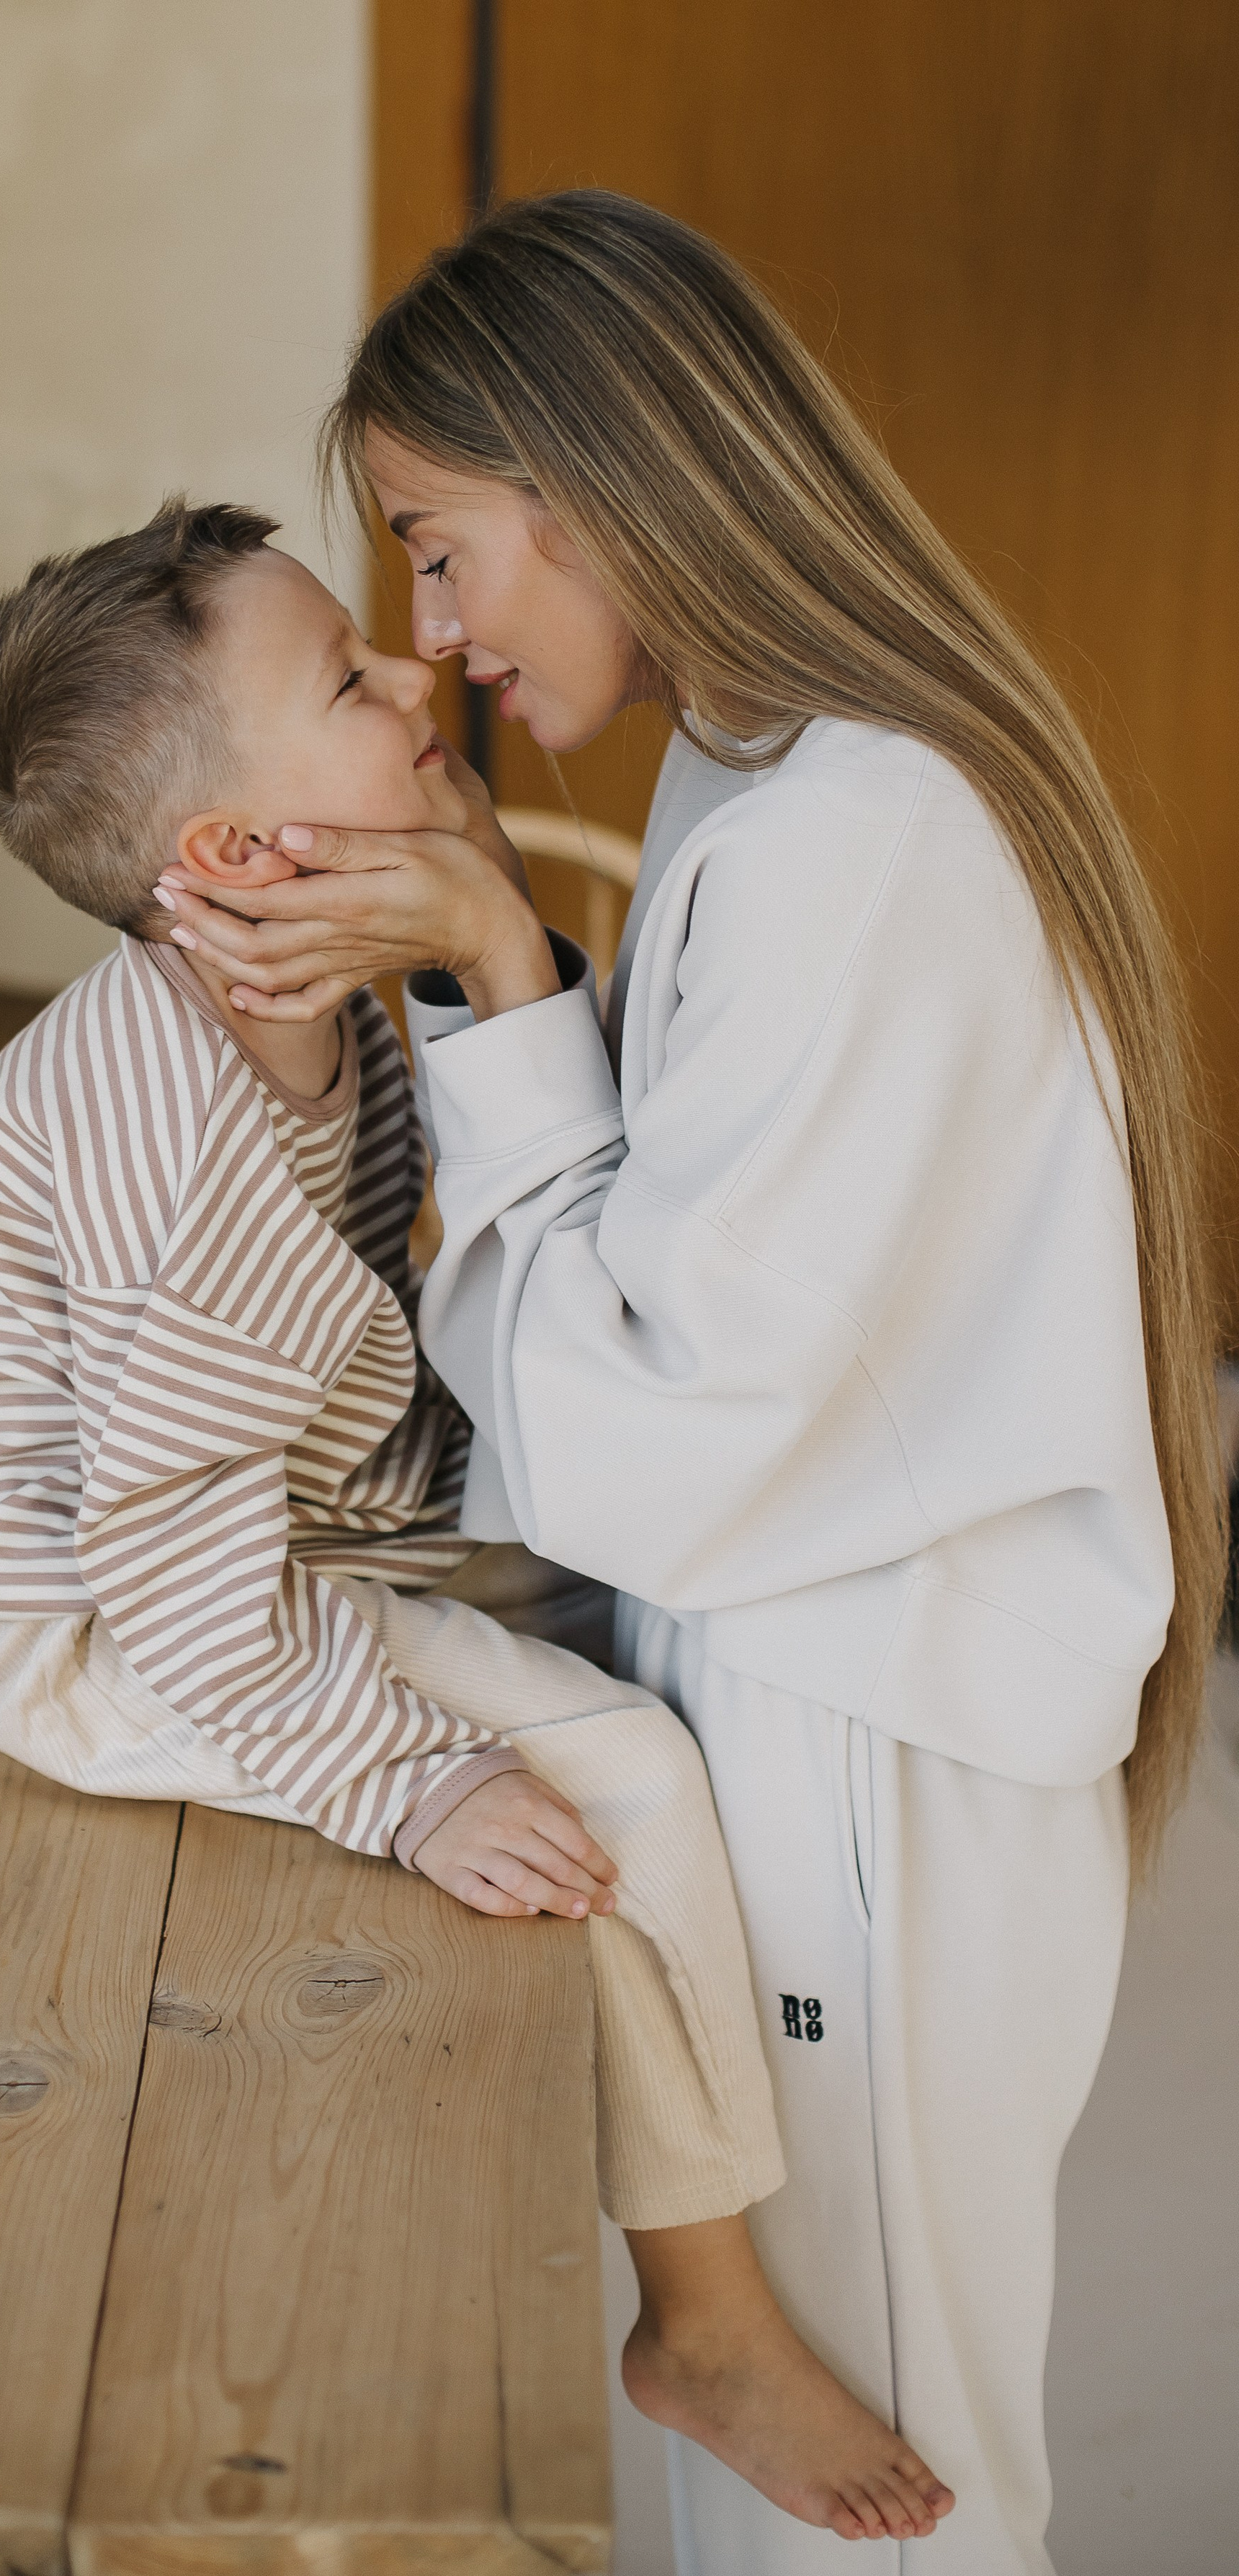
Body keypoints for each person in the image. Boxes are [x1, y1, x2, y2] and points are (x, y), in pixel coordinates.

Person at [146, 192, 1227, 2576]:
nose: (439, 639)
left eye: (440, 551)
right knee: (784, 2459)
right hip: (833, 1682)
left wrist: (496, 970)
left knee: (884, 2494)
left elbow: (666, 1436)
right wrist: (496, 956)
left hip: (868, 1731)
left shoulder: (858, 840)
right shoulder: (771, 769)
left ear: (598, 479)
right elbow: (686, 1251)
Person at [0, 496, 956, 2544]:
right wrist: (408, 1785)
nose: (416, 664)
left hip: (271, 1527)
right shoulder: (175, 1150)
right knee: (628, 1768)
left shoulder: (298, 999)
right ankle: (704, 2319)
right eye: (348, 681)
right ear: (239, 855)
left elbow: (381, 1317)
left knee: (617, 1578)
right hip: (105, 1626)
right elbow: (169, 1570)